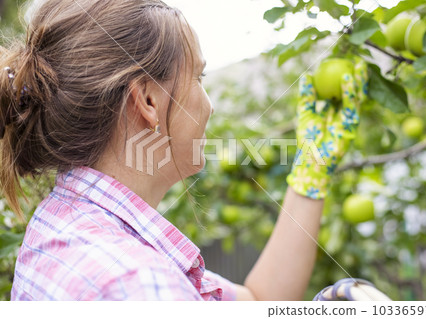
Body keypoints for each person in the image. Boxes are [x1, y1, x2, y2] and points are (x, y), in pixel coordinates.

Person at [0, 0, 367, 301]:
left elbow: (257, 300)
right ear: (147, 99)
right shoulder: (141, 286)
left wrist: (311, 168)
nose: (210, 105)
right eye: (199, 78)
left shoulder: (64, 219)